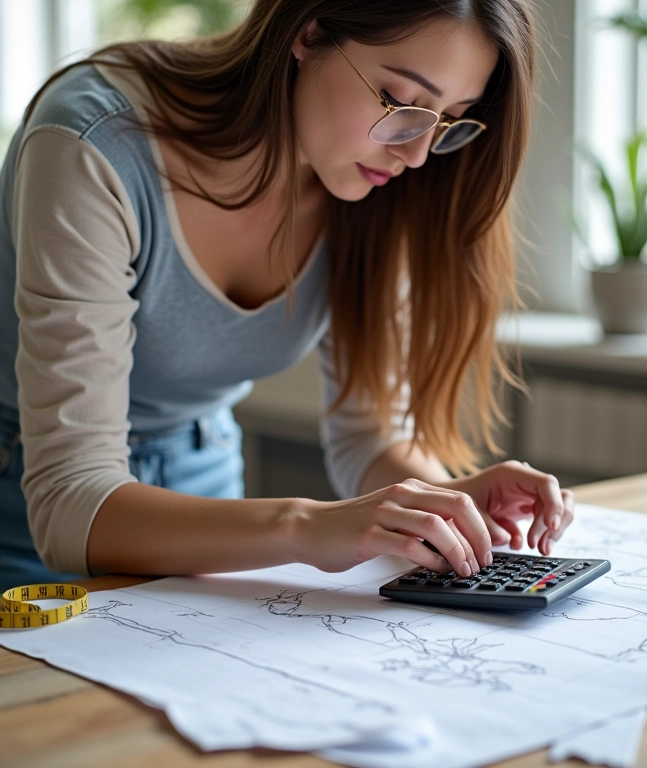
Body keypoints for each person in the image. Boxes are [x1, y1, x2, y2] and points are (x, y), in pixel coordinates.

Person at [0, 0, 574, 593]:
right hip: (23, 500)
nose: (417, 153)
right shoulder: (92, 143)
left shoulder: (371, 184)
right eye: (403, 103)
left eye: (449, 120)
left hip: (204, 490)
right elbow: (68, 508)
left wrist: (444, 502)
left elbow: (371, 436)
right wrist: (307, 527)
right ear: (309, 31)